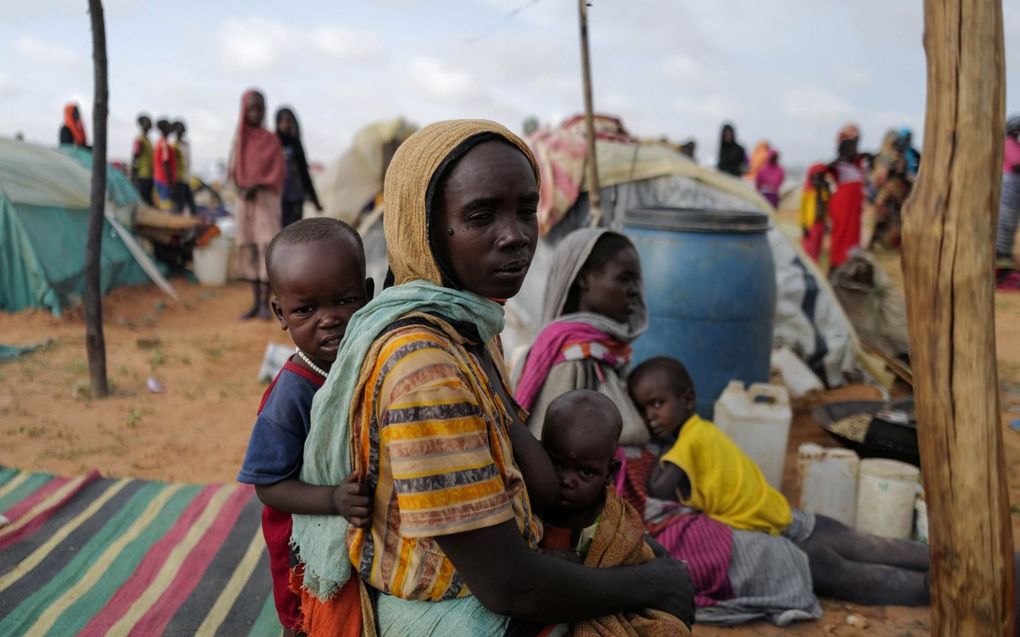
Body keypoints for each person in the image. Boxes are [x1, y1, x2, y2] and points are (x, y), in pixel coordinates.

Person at [290, 119, 694, 636]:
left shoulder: (471, 328)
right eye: (481, 215)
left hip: (492, 580)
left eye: (527, 209)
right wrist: (653, 583)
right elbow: (508, 586)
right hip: (453, 614)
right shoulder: (425, 368)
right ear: (425, 226)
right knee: (659, 613)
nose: (516, 236)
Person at [628, 356, 933, 606]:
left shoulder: (686, 444)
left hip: (751, 522)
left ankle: (927, 590)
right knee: (861, 545)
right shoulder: (702, 428)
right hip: (773, 509)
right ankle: (940, 560)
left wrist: (653, 454)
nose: (650, 417)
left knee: (840, 568)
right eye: (642, 410)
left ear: (689, 400)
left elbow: (658, 490)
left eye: (657, 404)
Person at [237, 217, 374, 637]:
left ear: (369, 295)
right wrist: (333, 499)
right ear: (280, 312)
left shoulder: (362, 363)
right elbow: (268, 484)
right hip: (302, 550)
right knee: (309, 621)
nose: (330, 319)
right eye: (306, 309)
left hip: (353, 532)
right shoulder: (293, 394)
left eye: (346, 301)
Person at [538, 389, 690, 635]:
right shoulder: (530, 503)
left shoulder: (611, 521)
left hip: (605, 603)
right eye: (556, 464)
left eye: (585, 472)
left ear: (609, 473)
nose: (567, 480)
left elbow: (626, 569)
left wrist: (574, 567)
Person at [515, 228, 650, 446]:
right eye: (625, 279)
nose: (635, 290)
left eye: (637, 281)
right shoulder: (573, 360)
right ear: (585, 279)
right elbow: (555, 449)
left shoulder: (605, 352)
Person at [230, 89, 285, 320]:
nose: (256, 112)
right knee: (249, 248)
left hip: (265, 200)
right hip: (245, 201)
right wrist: (241, 188)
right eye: (251, 108)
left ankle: (265, 303)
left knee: (266, 247)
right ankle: (254, 303)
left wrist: (258, 184)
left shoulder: (270, 139)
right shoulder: (239, 140)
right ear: (244, 109)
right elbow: (233, 170)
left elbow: (278, 171)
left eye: (260, 108)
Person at [827, 124, 867, 270]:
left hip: (855, 207)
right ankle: (836, 266)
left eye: (856, 138)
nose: (854, 142)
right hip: (843, 206)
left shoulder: (860, 162)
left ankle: (849, 267)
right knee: (841, 234)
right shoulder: (837, 164)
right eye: (850, 139)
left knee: (853, 236)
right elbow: (819, 170)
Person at [275, 107, 323, 227]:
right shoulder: (272, 143)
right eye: (283, 121)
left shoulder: (296, 144)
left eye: (289, 121)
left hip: (295, 197)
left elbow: (304, 173)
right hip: (277, 197)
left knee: (293, 231)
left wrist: (315, 200)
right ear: (277, 123)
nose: (286, 124)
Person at [870, 130, 911, 249]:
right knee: (880, 218)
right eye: (895, 141)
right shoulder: (883, 157)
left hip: (898, 194)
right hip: (885, 194)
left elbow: (904, 173)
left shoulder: (901, 157)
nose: (897, 144)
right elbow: (878, 178)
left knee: (897, 220)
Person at [997, 116, 1020, 262]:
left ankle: (1004, 253)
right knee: (1006, 220)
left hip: (1014, 187)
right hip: (1009, 186)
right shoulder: (1008, 143)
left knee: (1011, 221)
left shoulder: (1015, 144)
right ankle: (1001, 254)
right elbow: (1017, 164)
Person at [799, 163, 831, 262]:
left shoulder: (823, 190)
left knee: (817, 249)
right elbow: (802, 209)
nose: (819, 178)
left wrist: (825, 188)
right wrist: (803, 226)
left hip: (820, 223)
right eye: (817, 175)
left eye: (821, 176)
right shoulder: (807, 191)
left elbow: (827, 203)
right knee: (809, 250)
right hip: (810, 224)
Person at [153, 119, 178, 210]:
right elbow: (165, 162)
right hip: (164, 180)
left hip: (159, 177)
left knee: (162, 203)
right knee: (166, 205)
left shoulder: (159, 142)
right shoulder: (164, 144)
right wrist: (170, 182)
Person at [172, 121, 195, 215]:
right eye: (178, 129)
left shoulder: (186, 145)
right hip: (178, 179)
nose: (180, 132)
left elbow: (188, 162)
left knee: (191, 203)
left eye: (182, 129)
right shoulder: (173, 146)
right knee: (179, 204)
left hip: (185, 178)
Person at [131, 114, 155, 205]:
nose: (148, 125)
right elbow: (135, 157)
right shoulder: (139, 140)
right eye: (146, 123)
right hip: (142, 175)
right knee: (144, 200)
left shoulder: (148, 140)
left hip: (149, 175)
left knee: (148, 200)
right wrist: (133, 176)